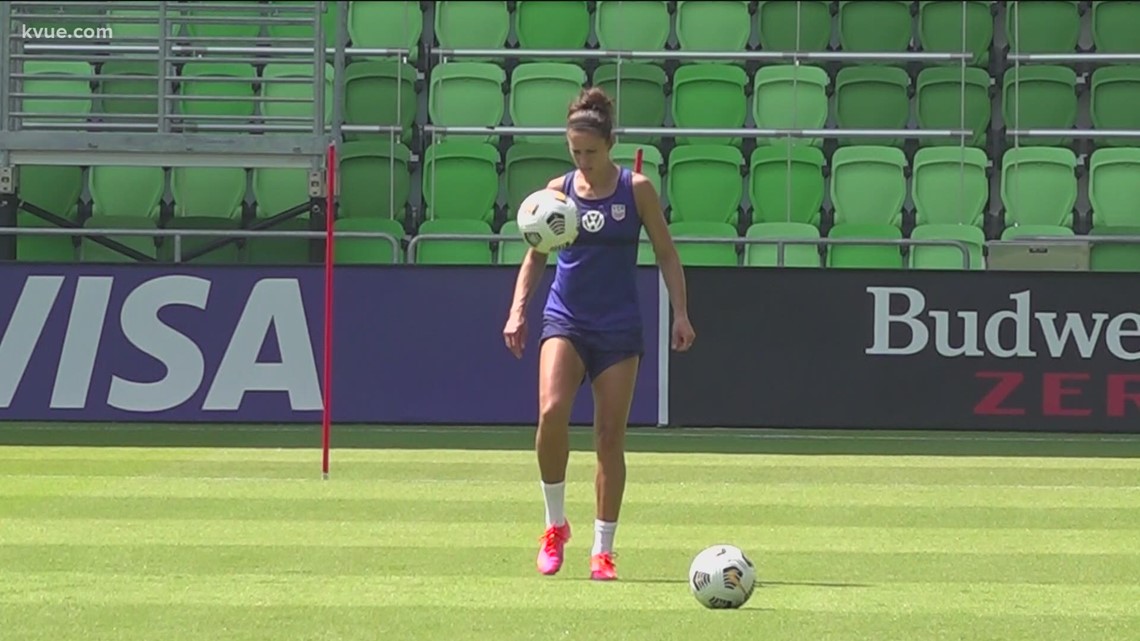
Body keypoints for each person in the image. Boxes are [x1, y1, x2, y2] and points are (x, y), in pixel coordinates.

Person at [502, 86, 695, 581]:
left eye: (590, 152)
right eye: (575, 152)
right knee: (550, 412)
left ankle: (603, 550)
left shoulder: (637, 190)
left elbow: (666, 252)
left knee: (609, 439)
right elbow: (536, 254)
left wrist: (680, 312)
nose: (583, 161)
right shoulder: (558, 190)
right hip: (565, 317)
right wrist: (518, 310)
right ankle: (554, 525)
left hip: (618, 327)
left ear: (609, 144)